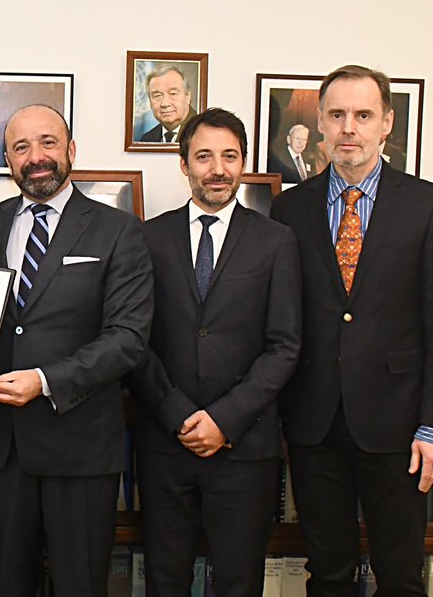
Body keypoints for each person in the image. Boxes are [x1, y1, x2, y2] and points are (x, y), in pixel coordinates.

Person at [0, 104, 154, 596]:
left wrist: (45, 381)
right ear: (7, 160)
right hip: (2, 446)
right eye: (21, 147)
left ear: (70, 151)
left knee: (80, 585)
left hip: (80, 443)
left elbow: (128, 338)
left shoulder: (117, 229)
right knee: (7, 584)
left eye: (47, 142)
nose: (36, 156)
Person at [270, 65, 433, 597]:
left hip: (400, 426)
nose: (348, 128)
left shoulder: (427, 205)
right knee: (327, 573)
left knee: (400, 575)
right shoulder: (290, 208)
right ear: (321, 127)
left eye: (362, 115)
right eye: (336, 116)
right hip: (314, 425)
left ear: (387, 124)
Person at [130, 108, 302, 596]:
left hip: (245, 447)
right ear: (184, 164)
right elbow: (133, 339)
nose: (218, 169)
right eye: (204, 156)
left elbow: (285, 345)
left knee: (239, 582)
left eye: (229, 156)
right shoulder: (147, 238)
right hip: (167, 443)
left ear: (243, 163)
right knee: (165, 580)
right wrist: (180, 416)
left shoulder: (276, 241)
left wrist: (224, 420)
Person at [139, 65, 197, 143]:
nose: (165, 103)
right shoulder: (147, 139)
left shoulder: (202, 132)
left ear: (188, 97)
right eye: (157, 96)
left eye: (173, 94)